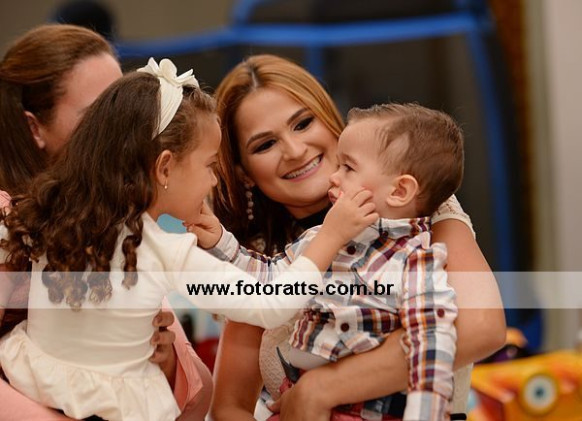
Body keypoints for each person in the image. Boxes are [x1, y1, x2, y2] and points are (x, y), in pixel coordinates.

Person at [0, 58, 377, 421]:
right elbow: (272, 304)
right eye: (210, 165)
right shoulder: (165, 250)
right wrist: (331, 235)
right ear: (165, 167)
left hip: (34, 383)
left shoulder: (46, 214)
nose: (213, 181)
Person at [207, 54, 505, 421]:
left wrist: (321, 389)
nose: (295, 151)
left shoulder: (419, 210)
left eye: (303, 123)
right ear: (244, 173)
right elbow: (229, 408)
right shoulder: (258, 259)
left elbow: (482, 328)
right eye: (265, 145)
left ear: (330, 122)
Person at [0, 24, 198, 420]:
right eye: (97, 115)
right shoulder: (10, 218)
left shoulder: (112, 217)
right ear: (34, 127)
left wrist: (165, 361)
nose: (120, 131)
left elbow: (197, 393)